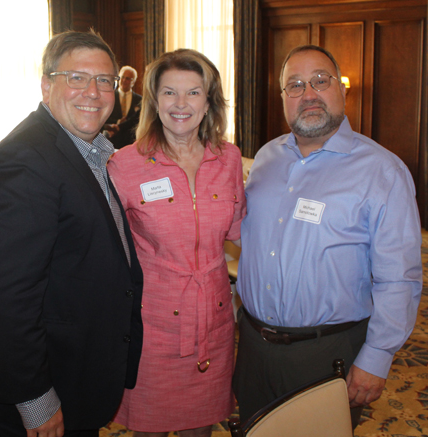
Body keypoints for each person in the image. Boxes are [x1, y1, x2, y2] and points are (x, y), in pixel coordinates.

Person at [0, 30, 144, 437]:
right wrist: (35, 399)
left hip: (67, 371)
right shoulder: (25, 162)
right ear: (46, 85)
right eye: (76, 77)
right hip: (26, 402)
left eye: (104, 81)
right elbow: (6, 298)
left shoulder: (79, 147)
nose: (92, 92)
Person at [233, 44, 422, 429]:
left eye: (320, 81)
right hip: (253, 348)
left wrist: (377, 356)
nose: (309, 95)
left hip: (328, 353)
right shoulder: (267, 158)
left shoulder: (382, 171)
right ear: (284, 97)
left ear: (342, 89)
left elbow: (399, 277)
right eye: (296, 85)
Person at [108, 49, 246, 436]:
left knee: (200, 428)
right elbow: (107, 251)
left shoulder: (229, 159)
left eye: (194, 93)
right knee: (149, 427)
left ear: (209, 102)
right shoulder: (125, 164)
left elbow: (239, 231)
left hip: (213, 322)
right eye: (170, 92)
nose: (181, 104)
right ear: (154, 100)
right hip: (153, 325)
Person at [103, 65, 142, 149]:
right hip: (112, 142)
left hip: (131, 143)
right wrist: (117, 121)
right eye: (122, 77)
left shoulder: (140, 100)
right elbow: (103, 117)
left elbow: (138, 121)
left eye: (127, 78)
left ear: (133, 82)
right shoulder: (108, 96)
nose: (124, 80)